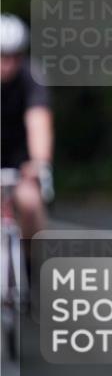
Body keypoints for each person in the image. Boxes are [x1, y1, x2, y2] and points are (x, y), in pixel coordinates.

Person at [0, 13, 54, 245]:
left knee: (30, 205)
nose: (7, 64)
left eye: (14, 56)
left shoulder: (31, 77)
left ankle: (31, 267)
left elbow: (38, 122)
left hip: (20, 161)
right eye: (2, 56)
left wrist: (39, 162)